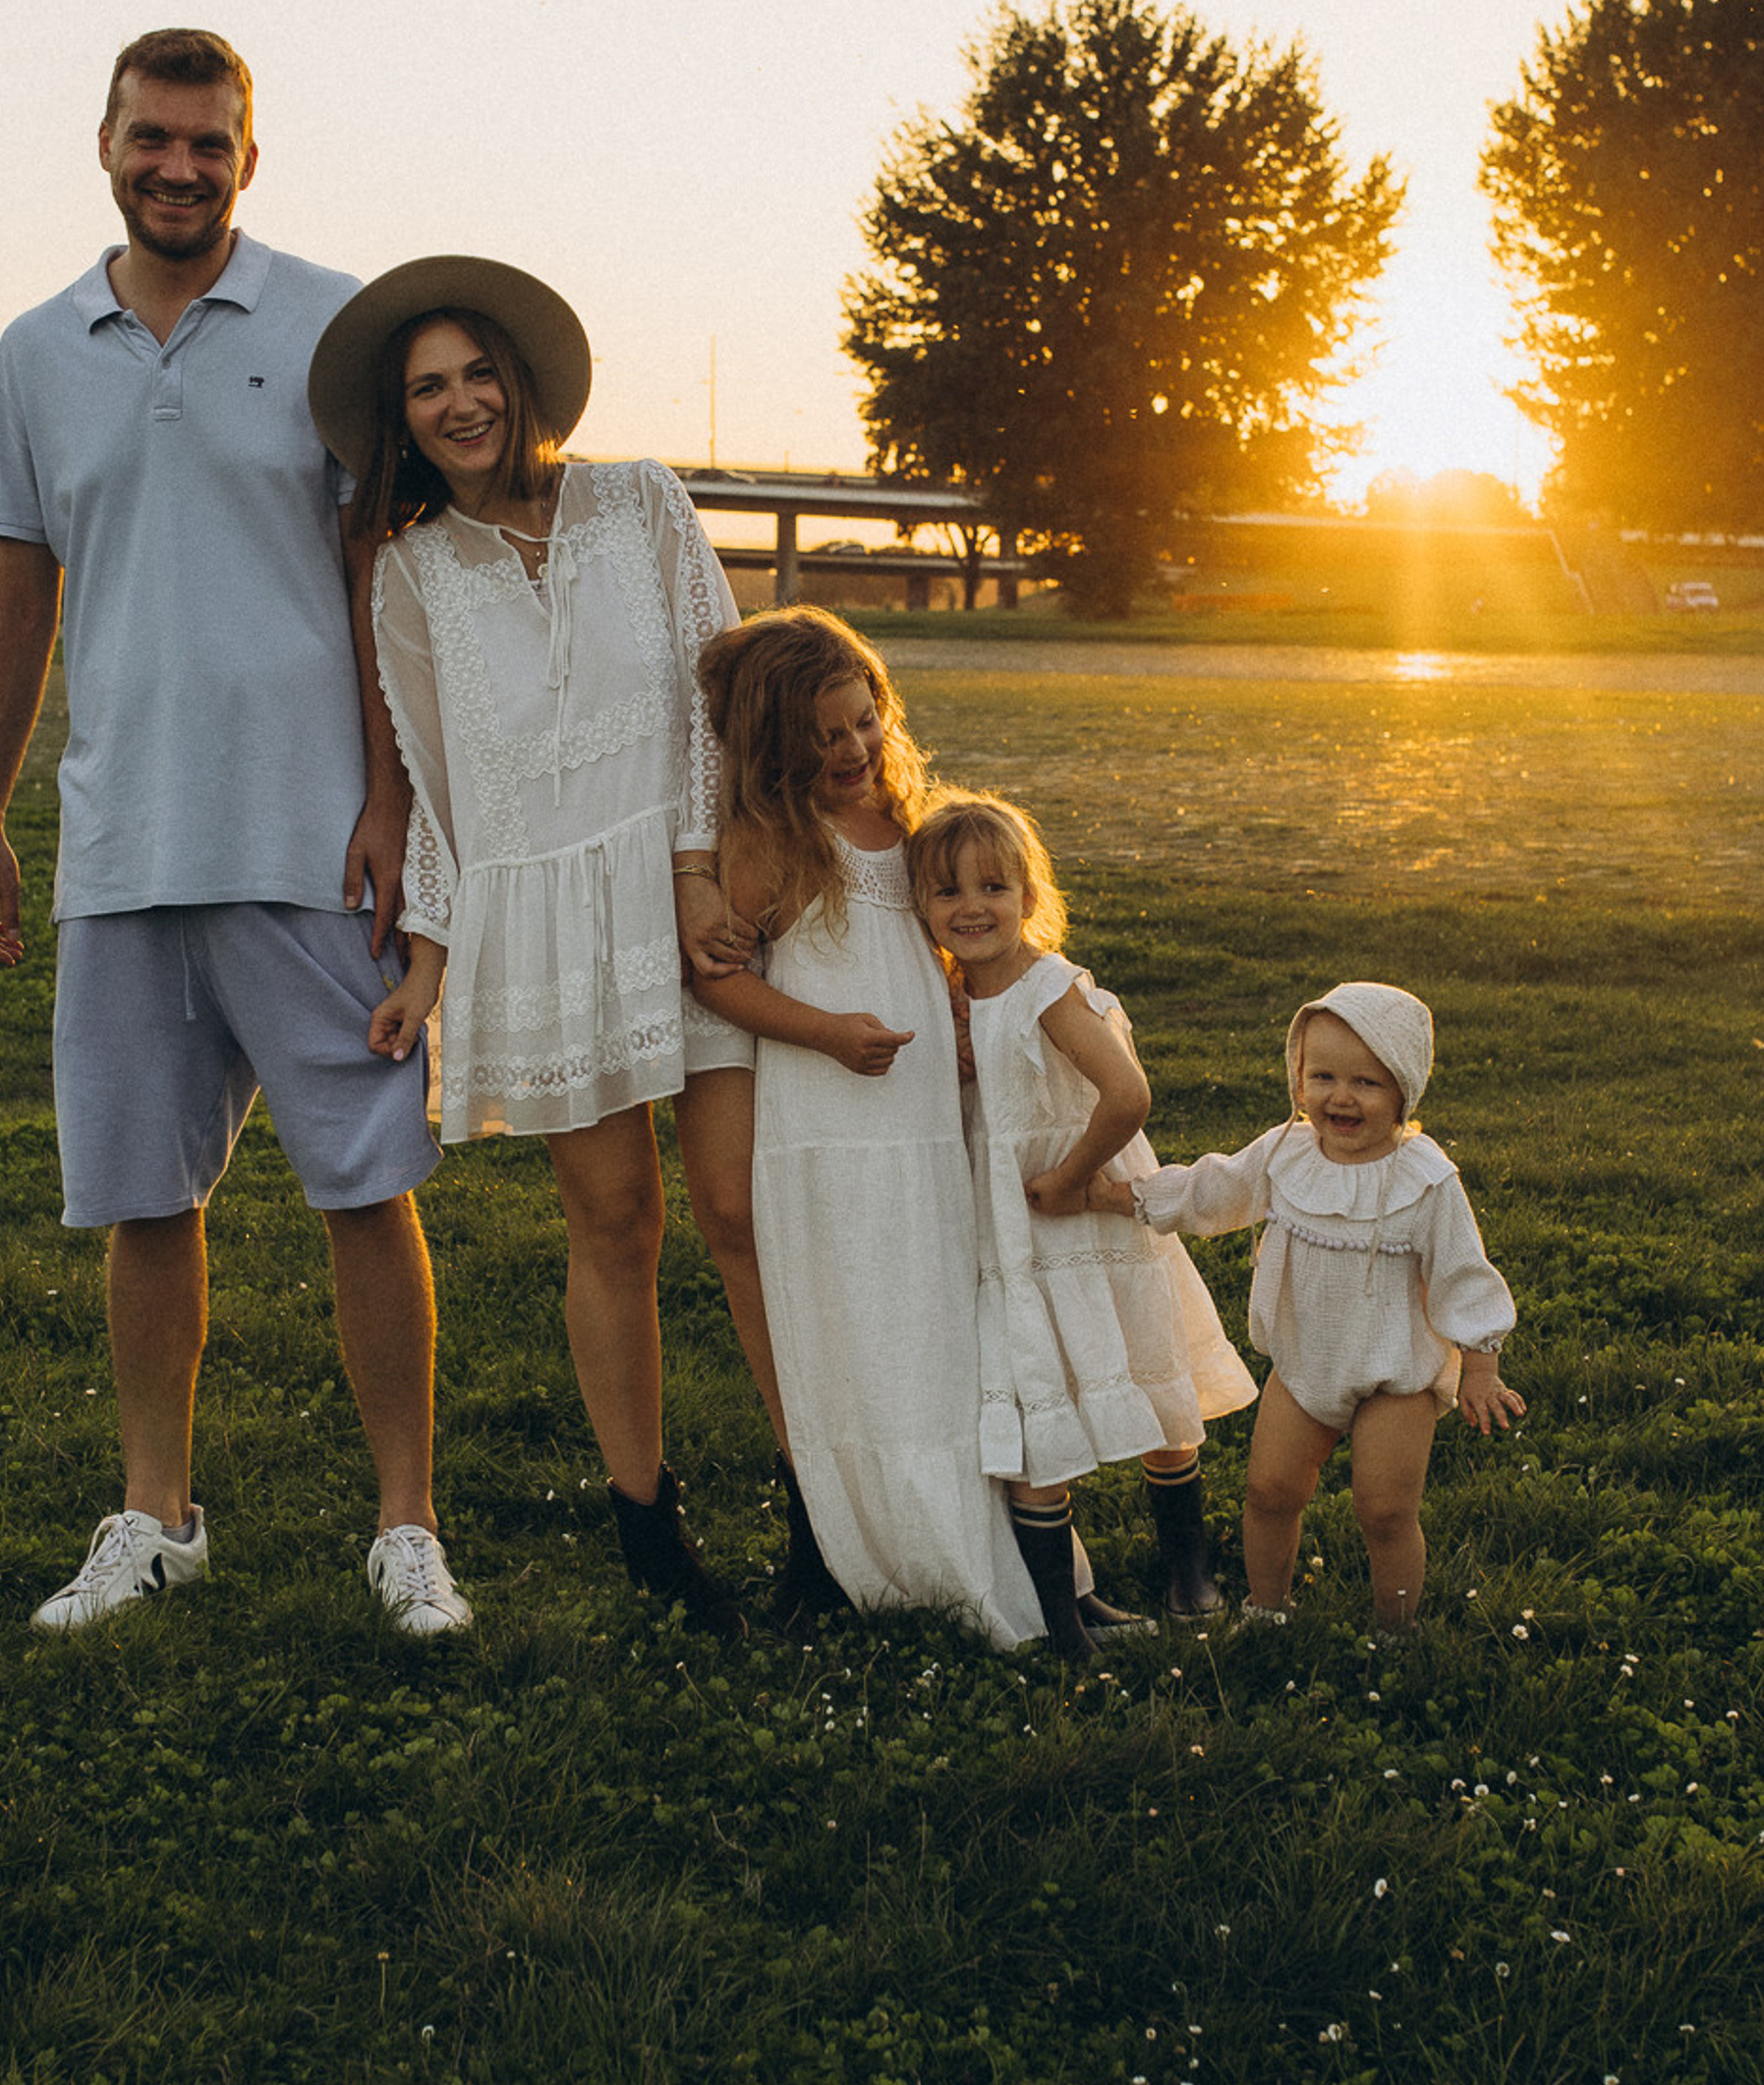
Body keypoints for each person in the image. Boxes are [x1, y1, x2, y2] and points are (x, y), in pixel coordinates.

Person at [0, 28, 465, 1636]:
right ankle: (155, 1515)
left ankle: (406, 1529)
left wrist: (389, 797)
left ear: (253, 154)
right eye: (151, 139)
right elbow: (20, 585)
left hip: (314, 841)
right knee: (140, 1203)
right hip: (123, 851)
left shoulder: (332, 324)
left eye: (208, 143)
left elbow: (378, 562)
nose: (178, 167)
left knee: (364, 1190)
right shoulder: (38, 351)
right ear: (104, 140)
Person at [306, 257, 772, 1636]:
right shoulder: (408, 574)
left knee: (745, 1211)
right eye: (426, 388)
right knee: (615, 1222)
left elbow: (721, 693)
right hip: (545, 924)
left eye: (475, 372)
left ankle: (830, 1511)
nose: (459, 404)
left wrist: (701, 870)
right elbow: (444, 793)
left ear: (520, 377)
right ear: (402, 420)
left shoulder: (639, 500)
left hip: (689, 893)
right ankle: (654, 1539)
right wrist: (434, 962)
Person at [692, 608, 1046, 1648]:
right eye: (822, 737)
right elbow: (718, 982)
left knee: (932, 1322)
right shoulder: (771, 845)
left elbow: (951, 949)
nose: (849, 751)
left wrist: (966, 1018)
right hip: (829, 1126)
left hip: (925, 1131)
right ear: (775, 749)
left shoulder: (914, 831)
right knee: (849, 1326)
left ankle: (959, 1530)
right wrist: (823, 1033)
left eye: (862, 724)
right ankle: (839, 1543)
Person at [906, 793, 1258, 1660]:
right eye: (948, 893)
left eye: (995, 885)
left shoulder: (1047, 988)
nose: (973, 907)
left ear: (1030, 894)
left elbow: (1129, 1094)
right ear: (920, 909)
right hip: (1017, 1239)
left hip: (1089, 1216)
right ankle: (1063, 1627)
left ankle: (1189, 1572)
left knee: (1153, 1379)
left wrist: (1069, 1177)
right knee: (1034, 1411)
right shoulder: (954, 995)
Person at [1089, 982, 1522, 1628]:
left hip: (1395, 1376)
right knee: (1269, 1492)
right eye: (1322, 1076)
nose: (1341, 1096)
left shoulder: (1426, 1180)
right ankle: (1268, 1609)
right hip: (1302, 1364)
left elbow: (1464, 1274)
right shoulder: (1285, 1152)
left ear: (1405, 1088)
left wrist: (1480, 1367)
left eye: (1367, 1083)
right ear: (1298, 1080)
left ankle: (1394, 1631)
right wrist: (1124, 1197)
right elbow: (1214, 1191)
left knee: (1383, 1509)